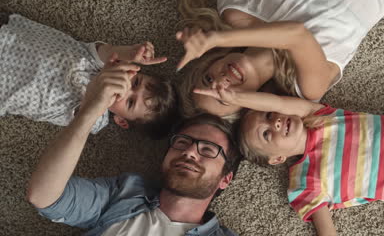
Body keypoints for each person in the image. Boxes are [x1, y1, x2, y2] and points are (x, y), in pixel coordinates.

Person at [202, 86, 384, 235]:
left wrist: (237, 98)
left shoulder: (321, 116)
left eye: (271, 115)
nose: (277, 121)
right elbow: (326, 230)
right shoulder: (304, 184)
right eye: (267, 133)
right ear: (277, 159)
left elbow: (278, 100)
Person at [175, 0, 384, 120]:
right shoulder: (306, 87)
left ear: (208, 61)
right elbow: (296, 35)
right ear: (245, 104)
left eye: (208, 78)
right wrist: (219, 38)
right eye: (222, 96)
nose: (221, 81)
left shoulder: (235, 12)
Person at [26, 69, 242, 235]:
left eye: (208, 149)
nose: (190, 152)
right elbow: (43, 195)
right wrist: (91, 110)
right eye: (182, 142)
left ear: (226, 178)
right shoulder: (126, 192)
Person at [0, 14, 177, 136]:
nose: (127, 87)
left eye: (130, 101)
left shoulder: (96, 119)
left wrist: (100, 97)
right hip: (9, 38)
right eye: (136, 82)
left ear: (121, 121)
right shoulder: (105, 62)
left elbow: (82, 118)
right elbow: (108, 51)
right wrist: (129, 53)